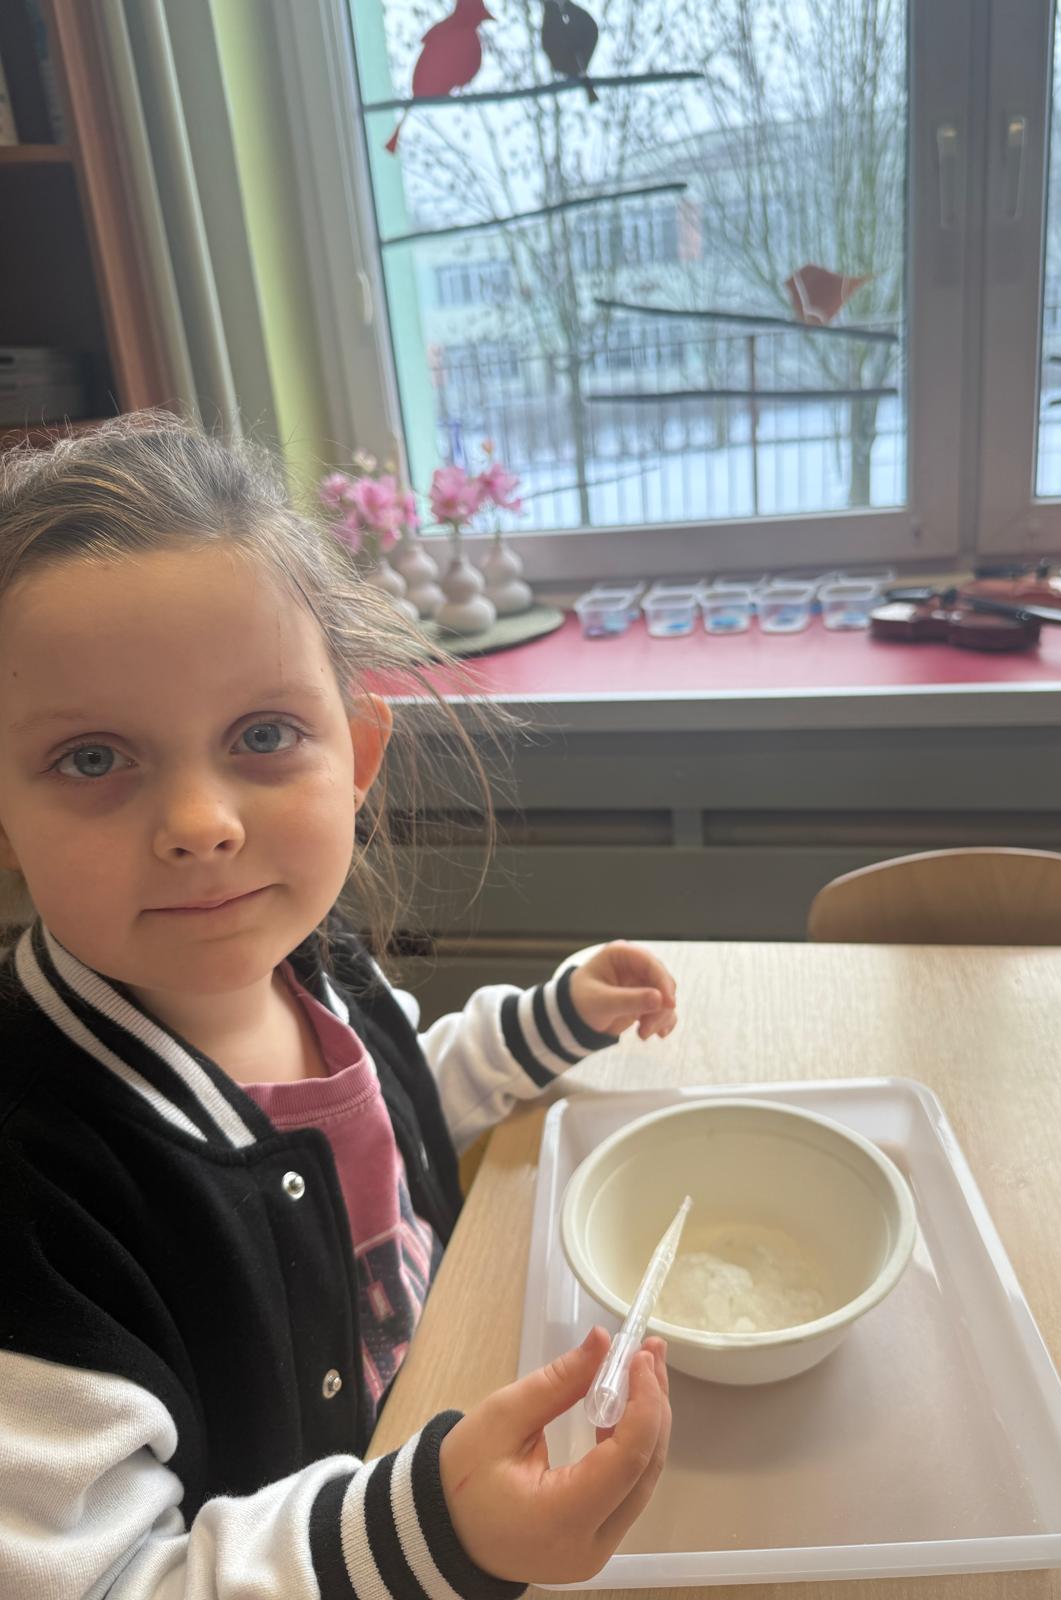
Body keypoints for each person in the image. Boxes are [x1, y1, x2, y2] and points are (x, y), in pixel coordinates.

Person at [0, 414, 678, 1600]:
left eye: (263, 735)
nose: (202, 822)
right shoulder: (35, 1182)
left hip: (447, 1416)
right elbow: (101, 1581)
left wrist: (551, 1021)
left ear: (357, 755)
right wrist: (433, 1535)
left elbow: (391, 1109)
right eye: (94, 758)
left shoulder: (312, 959)